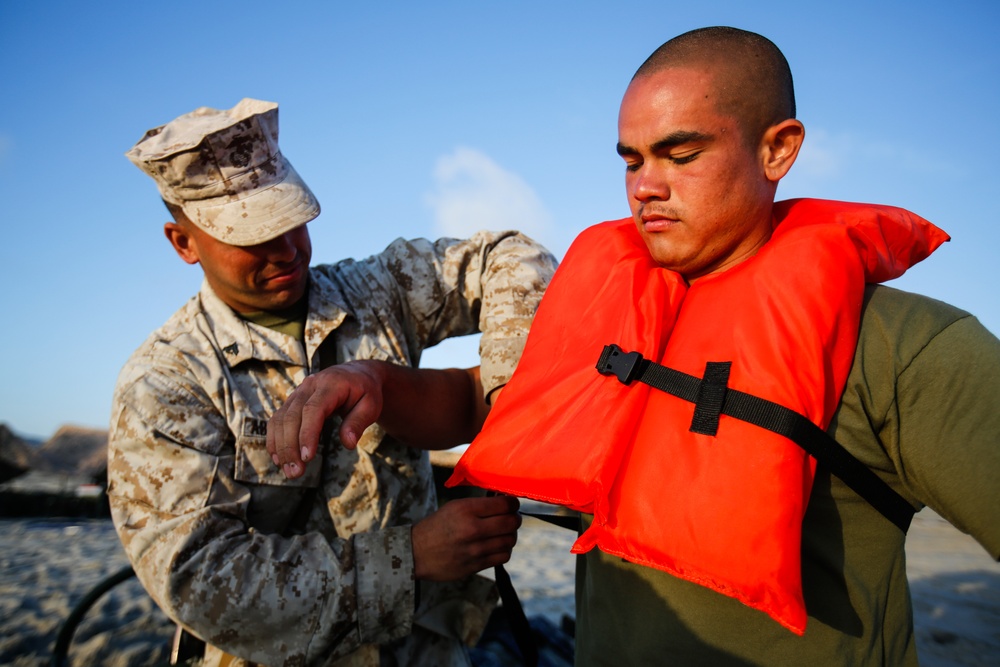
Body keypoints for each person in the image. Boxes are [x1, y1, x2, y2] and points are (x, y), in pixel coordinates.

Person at [442, 27, 1000, 666]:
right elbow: (482, 395)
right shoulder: (611, 323)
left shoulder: (910, 349)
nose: (645, 186)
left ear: (778, 150)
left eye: (680, 154)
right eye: (632, 160)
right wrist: (372, 385)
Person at [108, 98, 557, 666]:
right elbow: (200, 582)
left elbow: (509, 255)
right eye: (251, 235)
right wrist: (409, 557)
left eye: (289, 219)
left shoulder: (376, 292)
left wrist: (512, 398)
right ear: (183, 243)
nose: (285, 250)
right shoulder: (165, 384)